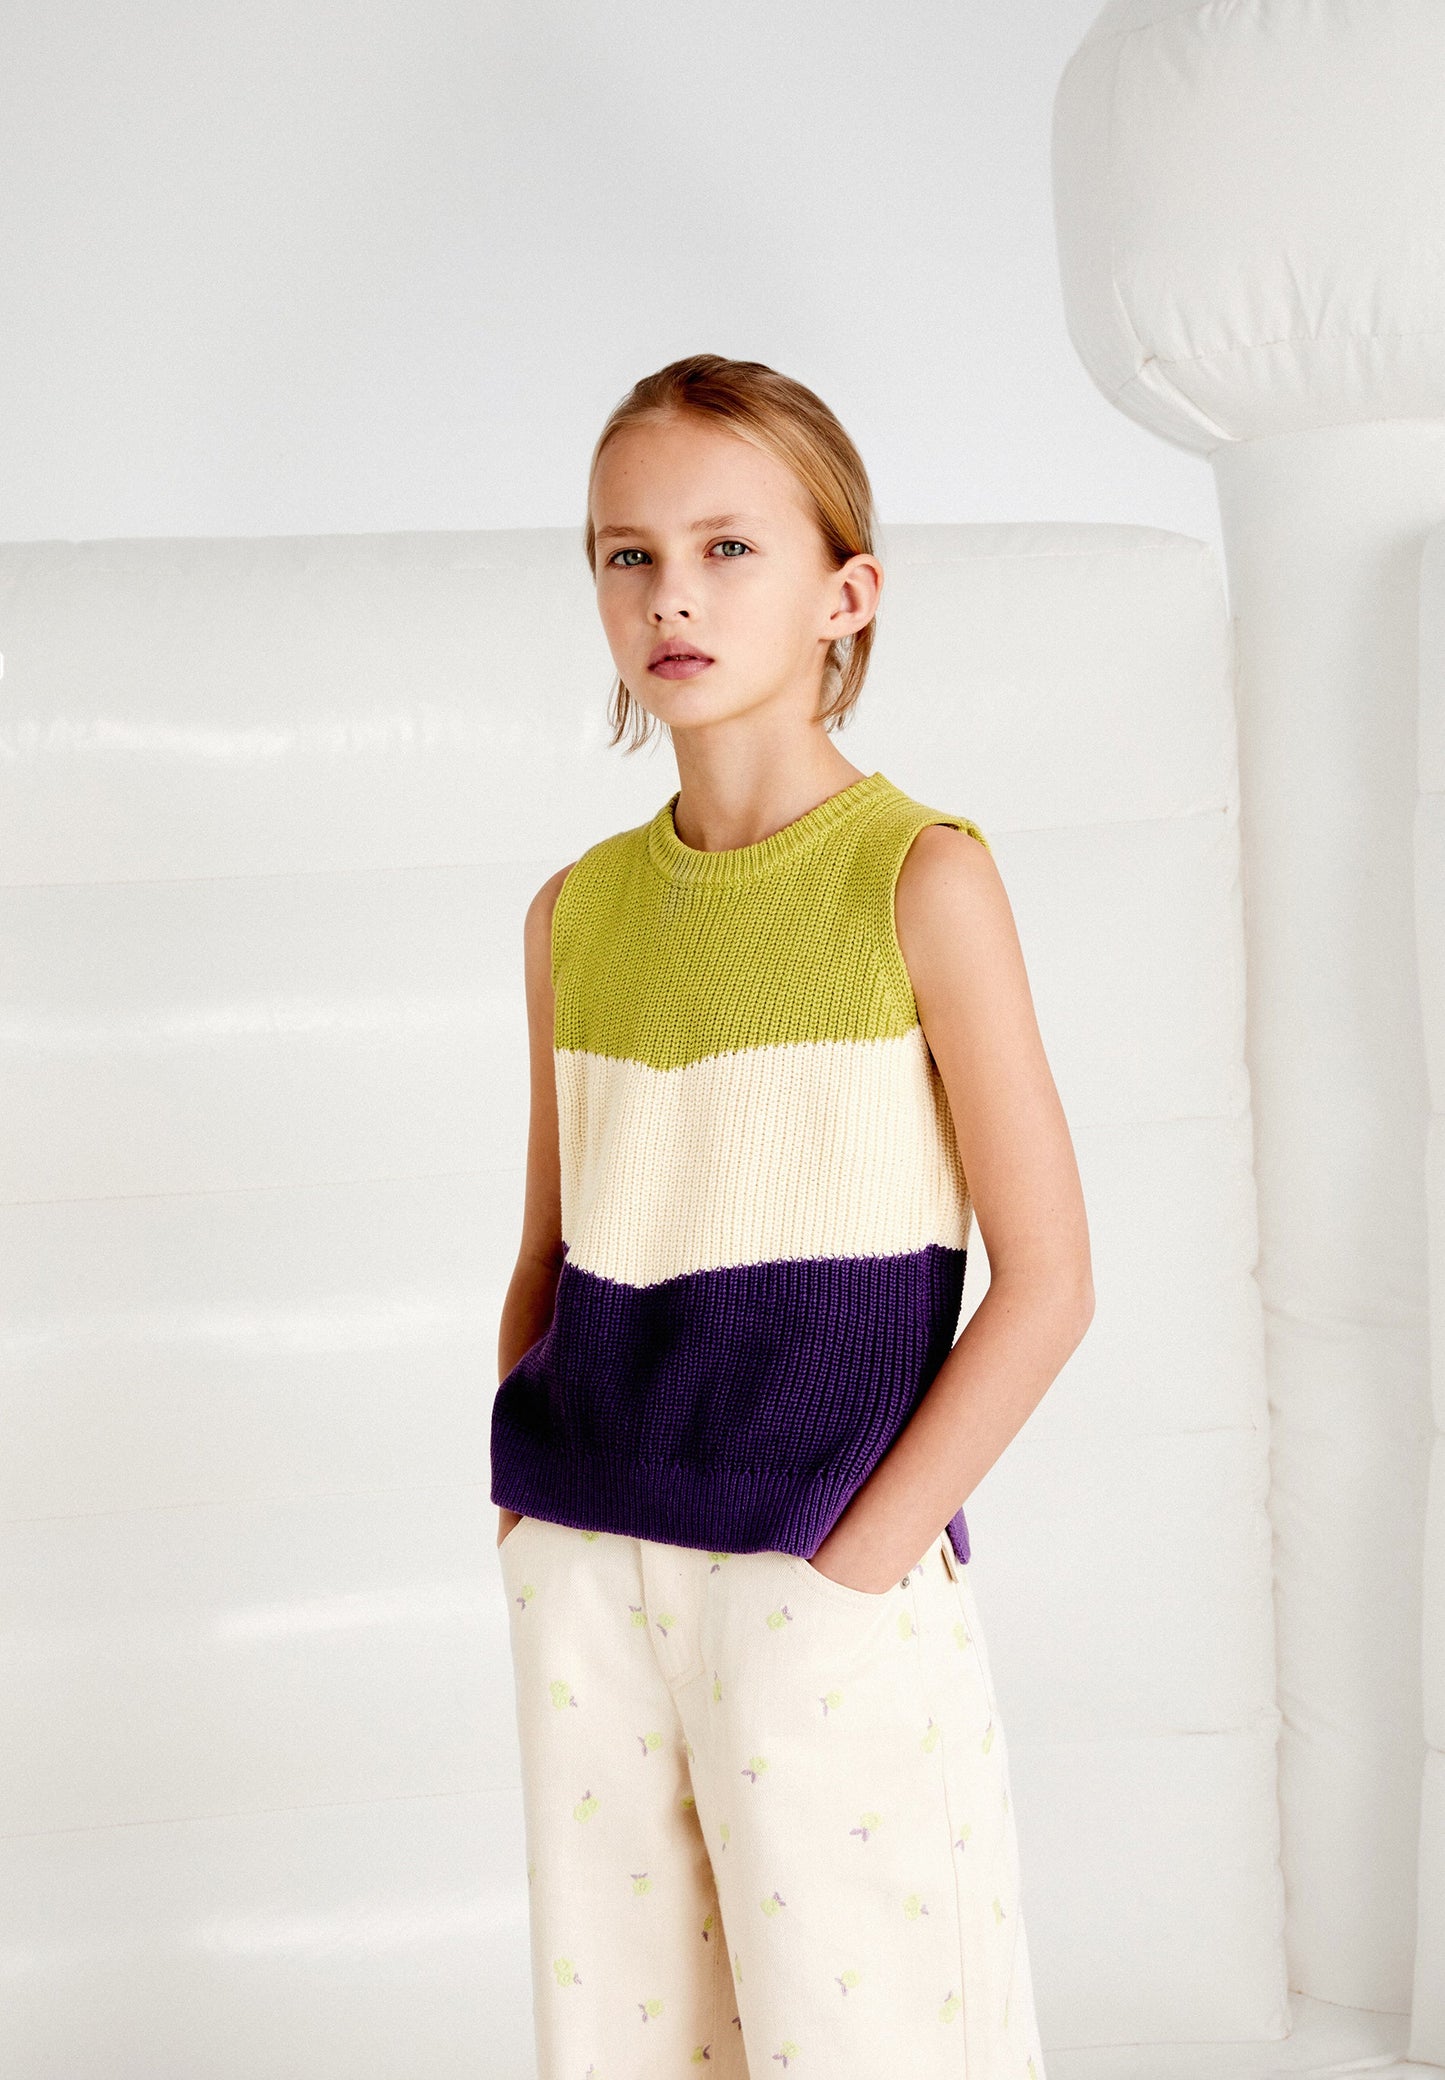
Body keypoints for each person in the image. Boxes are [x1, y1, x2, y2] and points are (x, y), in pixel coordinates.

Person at [490, 352, 1092, 2078]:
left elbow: (1049, 1281)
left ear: (846, 594)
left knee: (877, 2036)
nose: (669, 594)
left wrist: (856, 1563)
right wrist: (526, 1516)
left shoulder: (918, 877)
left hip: (817, 1569)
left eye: (727, 547)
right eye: (625, 554)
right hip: (589, 1566)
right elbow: (549, 1249)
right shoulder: (574, 911)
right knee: (628, 2039)